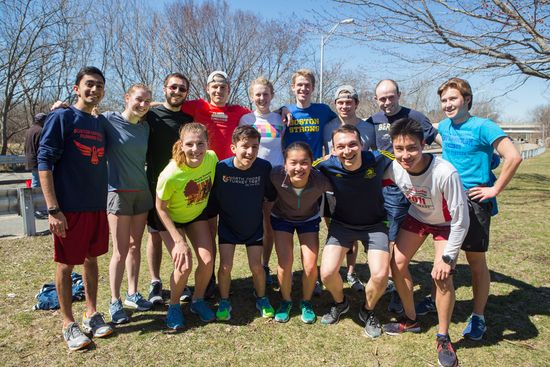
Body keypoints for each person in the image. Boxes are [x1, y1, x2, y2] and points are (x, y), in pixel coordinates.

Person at [437, 77, 522, 341]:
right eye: (444, 100)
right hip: (448, 201)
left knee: (475, 262)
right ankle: (438, 301)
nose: (448, 104)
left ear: (467, 100)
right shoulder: (444, 126)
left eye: (453, 99)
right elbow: (450, 150)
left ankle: (478, 316)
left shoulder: (484, 126)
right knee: (444, 260)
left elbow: (514, 155)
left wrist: (494, 189)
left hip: (475, 203)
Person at [381, 118, 469, 367]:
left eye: (412, 148)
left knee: (441, 275)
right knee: (395, 264)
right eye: (399, 149)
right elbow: (369, 180)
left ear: (424, 145)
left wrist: (449, 258)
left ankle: (443, 337)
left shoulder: (445, 172)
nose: (405, 155)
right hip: (418, 217)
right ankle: (411, 320)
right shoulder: (394, 168)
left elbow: (461, 221)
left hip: (446, 223)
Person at [38, 66, 113, 350]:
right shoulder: (62, 117)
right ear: (76, 87)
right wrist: (53, 208)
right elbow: (44, 162)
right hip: (69, 207)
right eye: (89, 84)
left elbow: (138, 106)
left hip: (96, 205)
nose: (94, 90)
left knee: (92, 259)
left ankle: (91, 312)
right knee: (66, 263)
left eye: (99, 86)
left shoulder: (99, 123)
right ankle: (68, 323)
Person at [366, 79, 438, 314]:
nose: (386, 102)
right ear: (376, 100)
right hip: (388, 189)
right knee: (390, 235)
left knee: (403, 235)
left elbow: (438, 139)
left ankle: (398, 287)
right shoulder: (372, 121)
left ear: (399, 95)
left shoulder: (415, 115)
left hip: (415, 186)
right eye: (382, 98)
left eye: (390, 97)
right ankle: (393, 284)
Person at [316, 125, 389, 339]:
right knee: (327, 273)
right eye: (341, 146)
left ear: (362, 145)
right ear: (333, 150)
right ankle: (341, 303)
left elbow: (407, 161)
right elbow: (302, 170)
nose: (347, 150)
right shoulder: (326, 164)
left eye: (352, 144)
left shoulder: (377, 158)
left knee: (380, 274)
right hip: (342, 225)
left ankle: (367, 310)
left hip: (375, 225)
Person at [210, 125, 277, 321]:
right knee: (225, 267)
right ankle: (224, 300)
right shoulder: (222, 168)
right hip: (228, 227)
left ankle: (262, 298)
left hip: (253, 227)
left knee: (257, 267)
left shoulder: (264, 167)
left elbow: (270, 196)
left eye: (255, 147)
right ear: (233, 148)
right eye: (245, 146)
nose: (250, 152)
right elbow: (214, 199)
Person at [155, 123, 218, 329]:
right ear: (181, 145)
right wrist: (178, 240)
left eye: (200, 144)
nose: (195, 149)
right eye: (190, 144)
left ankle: (197, 301)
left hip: (195, 215)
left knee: (207, 260)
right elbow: (160, 208)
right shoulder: (170, 174)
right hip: (169, 219)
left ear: (207, 143)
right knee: (184, 265)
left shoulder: (211, 158)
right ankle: (173, 307)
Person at [103, 84, 154, 324]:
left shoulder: (144, 127)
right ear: (126, 98)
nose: (142, 105)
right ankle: (115, 301)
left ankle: (132, 293)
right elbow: (82, 117)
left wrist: (153, 104)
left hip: (142, 193)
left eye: (147, 101)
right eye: (138, 100)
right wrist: (60, 108)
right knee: (120, 251)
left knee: (135, 247)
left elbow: (159, 106)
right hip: (119, 193)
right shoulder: (108, 120)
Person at [270, 142, 332, 324]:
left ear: (312, 163)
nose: (299, 168)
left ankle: (306, 301)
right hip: (281, 218)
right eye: (293, 163)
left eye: (304, 162)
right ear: (285, 164)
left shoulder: (320, 180)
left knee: (311, 265)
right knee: (285, 262)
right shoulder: (275, 175)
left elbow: (346, 184)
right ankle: (286, 301)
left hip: (309, 220)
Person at [145, 73, 194, 305]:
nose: (177, 91)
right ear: (164, 88)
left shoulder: (188, 119)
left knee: (178, 237)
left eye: (182, 89)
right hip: (154, 186)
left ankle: (180, 281)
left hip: (182, 190)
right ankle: (155, 282)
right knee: (154, 236)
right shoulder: (150, 115)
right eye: (173, 87)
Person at [322, 85, 376, 293]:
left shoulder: (368, 128)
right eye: (340, 103)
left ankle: (351, 272)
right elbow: (324, 154)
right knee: (334, 231)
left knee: (353, 232)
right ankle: (331, 270)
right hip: (332, 186)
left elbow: (375, 156)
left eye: (349, 102)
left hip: (359, 189)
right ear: (335, 105)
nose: (345, 106)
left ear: (356, 103)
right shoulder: (328, 126)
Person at [239, 77, 286, 287]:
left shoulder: (280, 119)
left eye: (266, 94)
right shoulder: (245, 120)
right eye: (257, 94)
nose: (262, 98)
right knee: (253, 223)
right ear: (251, 96)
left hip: (275, 178)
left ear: (272, 95)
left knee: (269, 225)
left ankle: (264, 266)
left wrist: (284, 110)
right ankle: (254, 266)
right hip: (252, 177)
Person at [284, 69, 337, 160]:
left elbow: (341, 122)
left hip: (316, 167)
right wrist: (281, 109)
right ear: (293, 87)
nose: (303, 88)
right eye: (300, 85)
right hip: (292, 166)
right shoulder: (286, 111)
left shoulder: (323, 110)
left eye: (307, 85)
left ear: (313, 88)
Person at [24, 112, 48, 218]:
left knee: (36, 183)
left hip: (30, 160)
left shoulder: (29, 130)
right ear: (41, 121)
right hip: (38, 161)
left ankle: (37, 209)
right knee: (38, 185)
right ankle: (37, 209)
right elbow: (41, 148)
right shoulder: (41, 131)